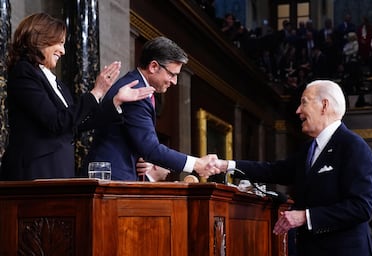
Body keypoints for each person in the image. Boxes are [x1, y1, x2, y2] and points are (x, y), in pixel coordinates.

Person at [213, 80, 372, 256]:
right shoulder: (309, 149)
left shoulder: (354, 147)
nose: (298, 111)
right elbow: (273, 170)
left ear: (324, 105)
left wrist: (305, 217)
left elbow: (362, 207)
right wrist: (225, 165)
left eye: (303, 103)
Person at [0, 12, 154, 181]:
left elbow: (77, 123)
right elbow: (56, 121)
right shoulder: (24, 72)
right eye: (59, 43)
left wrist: (116, 100)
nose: (63, 51)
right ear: (40, 38)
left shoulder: (57, 83)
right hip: (35, 173)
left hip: (59, 170)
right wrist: (97, 92)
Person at [84, 36, 219, 180]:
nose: (174, 81)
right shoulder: (135, 92)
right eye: (172, 74)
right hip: (110, 180)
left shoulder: (137, 84)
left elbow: (139, 142)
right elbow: (151, 149)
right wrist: (197, 164)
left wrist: (143, 157)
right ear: (153, 66)